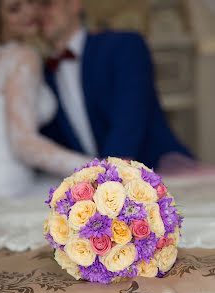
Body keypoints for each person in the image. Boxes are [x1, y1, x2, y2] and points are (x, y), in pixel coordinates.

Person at [37, 0, 197, 174]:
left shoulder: (124, 45)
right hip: (96, 186)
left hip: (159, 171)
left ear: (75, 4)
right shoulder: (42, 75)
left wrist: (107, 181)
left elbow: (129, 123)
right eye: (33, 6)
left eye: (47, 3)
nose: (38, 12)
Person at [0, 0, 91, 197]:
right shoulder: (22, 56)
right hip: (10, 184)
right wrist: (97, 169)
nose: (29, 13)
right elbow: (24, 144)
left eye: (30, 1)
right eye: (14, 9)